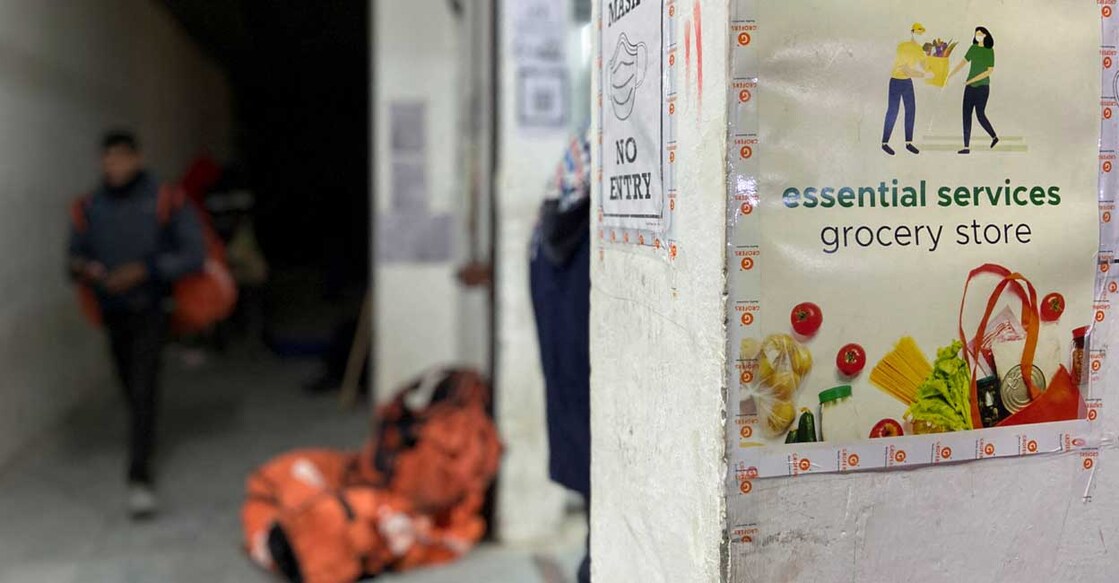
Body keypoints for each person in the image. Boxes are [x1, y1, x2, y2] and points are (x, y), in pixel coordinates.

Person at [67, 131, 206, 518]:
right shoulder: (89, 207)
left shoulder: (165, 199)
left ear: (138, 159)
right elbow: (74, 256)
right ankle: (143, 437)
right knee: (131, 388)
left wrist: (145, 270)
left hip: (152, 308)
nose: (115, 165)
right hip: (112, 312)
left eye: (123, 157)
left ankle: (139, 478)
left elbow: (193, 254)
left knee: (144, 386)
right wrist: (85, 269)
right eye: (108, 158)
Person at [882, 23, 934, 156]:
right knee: (893, 111)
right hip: (896, 81)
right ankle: (885, 143)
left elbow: (925, 66)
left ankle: (909, 143)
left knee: (911, 110)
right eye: (918, 33)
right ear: (912, 33)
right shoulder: (903, 46)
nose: (921, 36)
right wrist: (924, 75)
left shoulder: (919, 50)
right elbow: (906, 70)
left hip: (907, 83)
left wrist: (931, 58)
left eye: (923, 34)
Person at [949, 26, 998, 154]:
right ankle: (966, 147)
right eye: (976, 34)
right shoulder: (973, 48)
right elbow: (963, 62)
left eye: (980, 34)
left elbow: (989, 71)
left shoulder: (989, 51)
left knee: (980, 114)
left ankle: (994, 136)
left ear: (986, 35)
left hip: (982, 87)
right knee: (966, 115)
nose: (978, 36)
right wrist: (950, 74)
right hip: (969, 87)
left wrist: (972, 80)